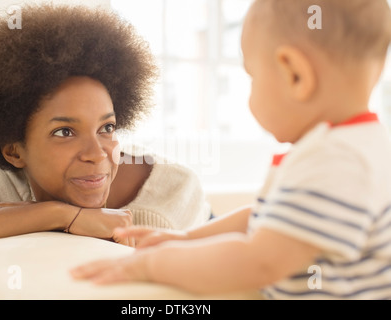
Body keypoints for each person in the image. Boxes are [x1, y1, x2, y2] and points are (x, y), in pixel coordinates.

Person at [70, 0, 391, 299]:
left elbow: (258, 261)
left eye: (251, 75)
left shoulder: (334, 160)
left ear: (295, 75)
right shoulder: (357, 146)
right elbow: (262, 217)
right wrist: (188, 239)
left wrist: (151, 266)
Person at [0, 4, 211, 266]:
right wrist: (58, 215)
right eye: (65, 132)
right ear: (14, 151)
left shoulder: (175, 190)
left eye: (107, 128)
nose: (97, 154)